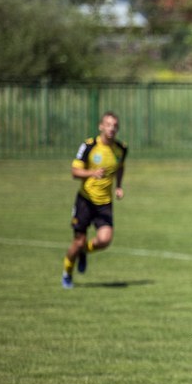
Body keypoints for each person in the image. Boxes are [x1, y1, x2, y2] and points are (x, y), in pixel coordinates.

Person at [61, 112, 127, 288]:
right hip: (85, 200)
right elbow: (74, 172)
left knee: (105, 240)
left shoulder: (121, 149)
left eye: (115, 126)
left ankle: (84, 251)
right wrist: (92, 173)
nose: (111, 129)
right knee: (78, 241)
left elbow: (120, 167)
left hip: (105, 202)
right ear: (101, 126)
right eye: (108, 125)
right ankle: (67, 273)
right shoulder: (89, 146)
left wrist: (119, 186)